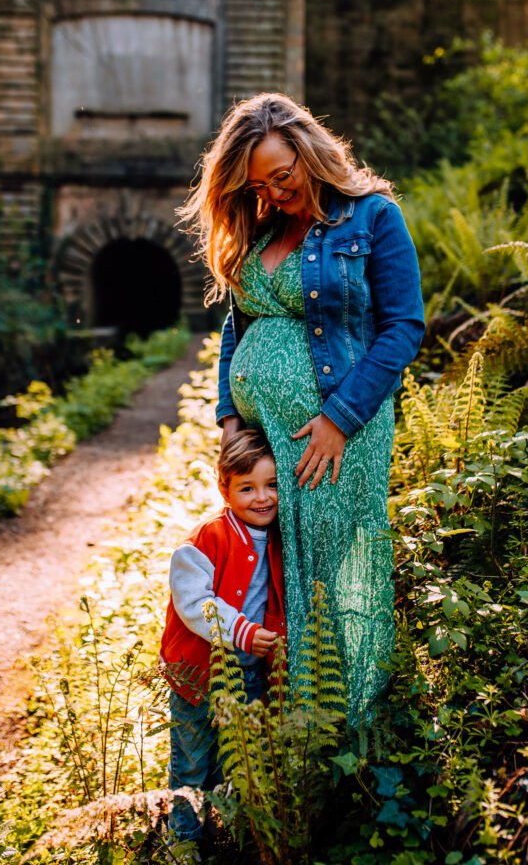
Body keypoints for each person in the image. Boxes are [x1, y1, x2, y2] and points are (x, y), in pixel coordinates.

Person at [180, 92, 425, 725]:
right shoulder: (261, 226)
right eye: (258, 183)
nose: (274, 192)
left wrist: (340, 419)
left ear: (309, 151)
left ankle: (353, 725)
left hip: (335, 431)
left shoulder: (373, 217)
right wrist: (230, 414)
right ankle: (286, 719)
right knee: (272, 573)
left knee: (334, 570)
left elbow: (402, 328)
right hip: (264, 437)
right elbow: (240, 324)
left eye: (282, 176)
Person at [160, 428, 286, 846]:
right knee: (192, 759)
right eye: (247, 488)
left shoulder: (285, 537)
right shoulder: (207, 538)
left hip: (249, 672)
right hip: (197, 672)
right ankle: (183, 837)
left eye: (272, 485)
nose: (262, 498)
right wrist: (244, 633)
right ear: (224, 489)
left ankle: (217, 828)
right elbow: (194, 602)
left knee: (233, 755)